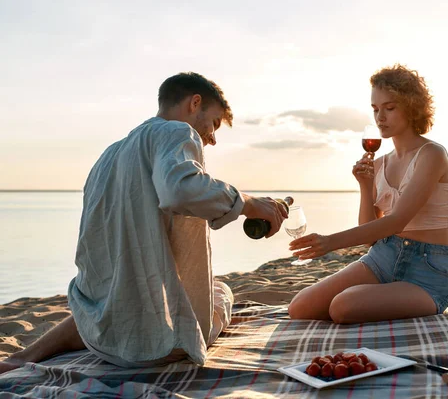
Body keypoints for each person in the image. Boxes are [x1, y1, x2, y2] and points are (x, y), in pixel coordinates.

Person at [0, 72, 288, 374]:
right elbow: (181, 189)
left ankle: (20, 358)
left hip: (101, 334)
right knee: (220, 291)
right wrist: (249, 203)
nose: (213, 139)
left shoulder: (109, 155)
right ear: (195, 103)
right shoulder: (177, 131)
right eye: (214, 124)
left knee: (117, 296)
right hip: (155, 347)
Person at [288, 64, 448, 324]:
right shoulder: (380, 163)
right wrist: (365, 186)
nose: (380, 117)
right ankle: (381, 297)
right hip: (383, 257)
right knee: (300, 307)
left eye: (390, 108)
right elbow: (370, 232)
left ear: (411, 107)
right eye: (375, 109)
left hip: (427, 269)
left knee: (343, 307)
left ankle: (393, 298)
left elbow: (397, 221)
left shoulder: (432, 154)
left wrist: (330, 242)